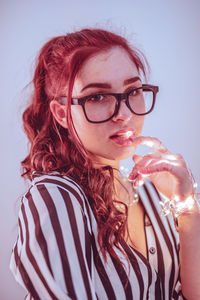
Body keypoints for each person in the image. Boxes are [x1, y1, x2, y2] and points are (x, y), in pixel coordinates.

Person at [10, 28, 200, 300]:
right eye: (97, 97)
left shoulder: (150, 192)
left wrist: (187, 208)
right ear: (62, 114)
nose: (124, 114)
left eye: (133, 91)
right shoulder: (57, 198)